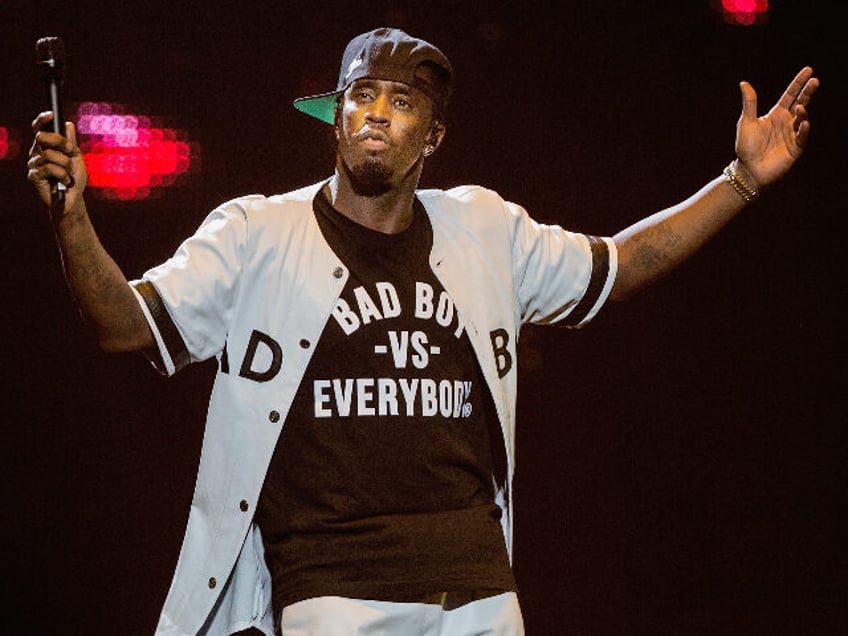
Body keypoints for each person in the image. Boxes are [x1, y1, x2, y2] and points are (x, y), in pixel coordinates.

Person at [27, 26, 818, 636]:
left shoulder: (484, 229)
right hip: (331, 594)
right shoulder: (256, 234)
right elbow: (126, 326)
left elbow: (619, 265)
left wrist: (741, 182)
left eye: (402, 102)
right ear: (334, 117)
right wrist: (72, 221)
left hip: (477, 592)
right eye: (362, 95)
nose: (376, 113)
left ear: (433, 137)